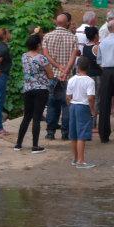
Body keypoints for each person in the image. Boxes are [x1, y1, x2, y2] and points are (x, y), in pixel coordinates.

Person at [42, 12, 77, 141]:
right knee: (66, 104)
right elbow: (73, 57)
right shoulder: (73, 38)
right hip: (66, 77)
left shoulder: (47, 37)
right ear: (67, 23)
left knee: (51, 104)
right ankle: (65, 133)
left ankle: (50, 132)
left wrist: (57, 66)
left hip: (51, 75)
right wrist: (66, 70)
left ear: (56, 22)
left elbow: (45, 54)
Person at [16, 33, 50, 152]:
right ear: (37, 45)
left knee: (27, 116)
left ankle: (18, 144)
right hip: (41, 89)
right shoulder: (42, 58)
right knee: (36, 117)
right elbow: (50, 74)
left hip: (28, 88)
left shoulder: (24, 56)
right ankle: (35, 146)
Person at [66, 58, 97, 168]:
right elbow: (91, 98)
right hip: (83, 106)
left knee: (74, 134)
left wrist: (71, 105)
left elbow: (68, 96)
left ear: (77, 67)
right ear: (88, 68)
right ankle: (81, 161)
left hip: (73, 106)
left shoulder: (71, 79)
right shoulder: (90, 81)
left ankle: (75, 159)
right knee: (82, 135)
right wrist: (92, 110)